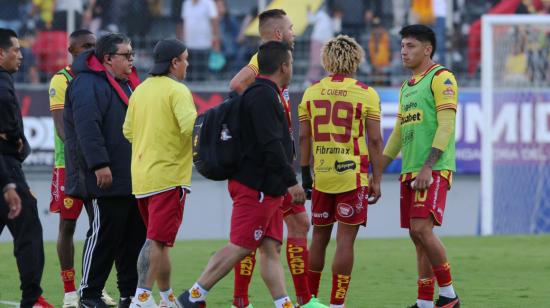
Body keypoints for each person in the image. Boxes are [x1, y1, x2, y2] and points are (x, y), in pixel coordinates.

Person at [176, 41, 304, 308]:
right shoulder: (263, 96)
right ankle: (192, 297)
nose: (292, 68)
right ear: (283, 66)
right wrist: (291, 182)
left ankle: (284, 304)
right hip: (255, 186)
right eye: (290, 63)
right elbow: (271, 145)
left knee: (270, 249)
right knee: (241, 245)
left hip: (266, 187)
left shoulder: (263, 93)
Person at [229, 10, 326, 308]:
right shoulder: (262, 63)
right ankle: (302, 300)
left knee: (265, 237)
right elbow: (236, 84)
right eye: (291, 28)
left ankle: (246, 300)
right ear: (279, 34)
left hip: (267, 167)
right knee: (291, 225)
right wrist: (260, 115)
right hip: (267, 168)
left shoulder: (269, 71)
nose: (295, 32)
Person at [298, 35, 384, 308]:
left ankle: (308, 300)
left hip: (322, 176)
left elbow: (303, 137)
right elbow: (374, 140)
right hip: (352, 176)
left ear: (326, 60)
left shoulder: (311, 92)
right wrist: (377, 178)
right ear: (356, 60)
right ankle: (337, 304)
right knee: (345, 241)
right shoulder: (366, 93)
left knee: (319, 238)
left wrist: (305, 175)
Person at [63, 33, 146, 308]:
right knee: (104, 235)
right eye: (127, 55)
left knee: (132, 238)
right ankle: (89, 294)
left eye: (132, 54)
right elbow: (88, 128)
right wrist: (100, 164)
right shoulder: (87, 83)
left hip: (132, 175)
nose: (132, 60)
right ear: (108, 58)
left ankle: (129, 295)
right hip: (105, 175)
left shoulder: (129, 84)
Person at [382, 24, 460, 308]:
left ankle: (449, 295)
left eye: (411, 46)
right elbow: (398, 134)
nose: (404, 51)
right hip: (409, 170)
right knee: (417, 237)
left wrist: (429, 166)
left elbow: (447, 126)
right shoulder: (406, 87)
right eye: (402, 46)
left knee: (422, 229)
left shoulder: (442, 78)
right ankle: (425, 302)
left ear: (427, 49)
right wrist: (377, 170)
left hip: (433, 168)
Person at [123, 38, 197, 308]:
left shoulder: (140, 91)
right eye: (185, 59)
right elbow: (191, 128)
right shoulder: (177, 91)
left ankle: (165, 298)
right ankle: (142, 298)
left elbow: (128, 132)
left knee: (160, 242)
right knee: (156, 241)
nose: (187, 64)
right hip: (169, 178)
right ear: (174, 62)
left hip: (142, 179)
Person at [48, 29, 116, 308]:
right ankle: (69, 291)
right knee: (68, 225)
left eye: (94, 45)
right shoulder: (62, 79)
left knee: (101, 226)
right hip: (70, 165)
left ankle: (94, 287)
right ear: (72, 49)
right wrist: (87, 153)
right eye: (85, 46)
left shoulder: (102, 77)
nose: (91, 49)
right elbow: (63, 127)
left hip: (96, 163)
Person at [0, 28, 54, 308]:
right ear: (1, 54)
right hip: (5, 167)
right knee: (29, 230)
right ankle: (32, 298)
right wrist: (15, 138)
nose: (21, 56)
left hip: (8, 167)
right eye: (16, 50)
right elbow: (9, 127)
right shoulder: (3, 85)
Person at [180, 0, 220, 81]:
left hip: (204, 45)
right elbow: (184, 22)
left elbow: (214, 21)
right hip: (189, 46)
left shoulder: (209, 3)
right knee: (188, 75)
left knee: (202, 76)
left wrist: (215, 39)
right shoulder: (186, 3)